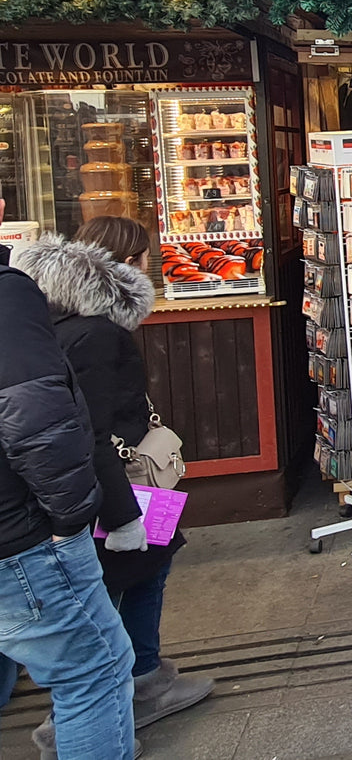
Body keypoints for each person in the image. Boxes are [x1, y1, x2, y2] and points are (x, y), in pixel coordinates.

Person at [14, 219, 214, 748]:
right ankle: (112, 703)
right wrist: (123, 516)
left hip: (89, 488)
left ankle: (141, 679)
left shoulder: (50, 316)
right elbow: (93, 432)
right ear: (131, 263)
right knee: (128, 583)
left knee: (141, 572)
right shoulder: (98, 332)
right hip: (116, 488)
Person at [0, 200, 137, 759]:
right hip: (20, 531)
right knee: (94, 670)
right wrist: (72, 518)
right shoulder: (8, 295)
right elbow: (37, 418)